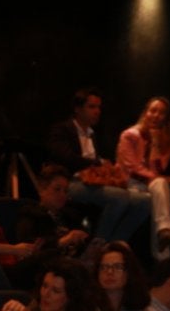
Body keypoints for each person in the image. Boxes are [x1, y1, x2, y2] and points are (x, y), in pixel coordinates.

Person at [45, 87, 149, 243]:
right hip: (70, 182)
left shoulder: (93, 135)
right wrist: (98, 163)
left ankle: (114, 245)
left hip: (91, 183)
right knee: (120, 197)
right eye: (92, 107)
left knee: (144, 201)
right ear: (77, 109)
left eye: (99, 107)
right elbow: (65, 156)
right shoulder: (62, 130)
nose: (97, 111)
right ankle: (97, 247)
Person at [116, 97, 170, 260]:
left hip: (150, 183)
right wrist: (161, 178)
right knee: (160, 188)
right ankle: (163, 256)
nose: (156, 116)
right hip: (129, 182)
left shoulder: (167, 142)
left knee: (160, 187)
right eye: (153, 111)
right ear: (145, 113)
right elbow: (132, 168)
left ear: (166, 118)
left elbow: (159, 169)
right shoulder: (129, 135)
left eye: (161, 113)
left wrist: (156, 143)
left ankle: (165, 234)